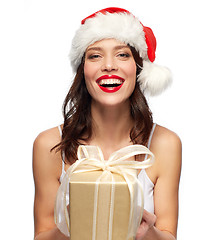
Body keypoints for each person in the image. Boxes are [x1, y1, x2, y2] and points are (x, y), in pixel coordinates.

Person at [33, 7, 182, 240]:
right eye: (95, 55)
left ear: (139, 67)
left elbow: (168, 235)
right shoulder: (49, 144)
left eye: (122, 54)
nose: (109, 65)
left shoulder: (165, 144)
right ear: (83, 69)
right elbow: (41, 236)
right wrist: (72, 221)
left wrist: (146, 230)